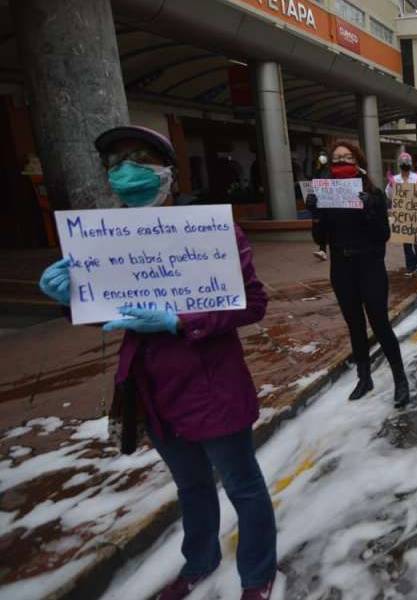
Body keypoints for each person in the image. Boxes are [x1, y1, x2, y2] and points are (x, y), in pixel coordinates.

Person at [38, 126, 278, 600]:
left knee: (242, 485)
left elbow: (252, 303)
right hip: (152, 389)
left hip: (212, 385)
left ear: (167, 173)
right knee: (190, 486)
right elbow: (107, 313)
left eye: (139, 161)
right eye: (116, 165)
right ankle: (200, 562)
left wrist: (178, 320)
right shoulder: (105, 239)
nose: (127, 172)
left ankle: (257, 575)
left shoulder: (212, 232)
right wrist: (69, 298)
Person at [308, 140, 410, 408]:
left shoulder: (373, 193)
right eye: (336, 158)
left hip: (369, 265)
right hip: (341, 267)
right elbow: (320, 238)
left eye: (347, 157)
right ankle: (364, 377)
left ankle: (400, 378)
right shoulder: (326, 194)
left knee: (379, 322)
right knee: (354, 324)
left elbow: (383, 234)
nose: (342, 161)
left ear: (358, 162)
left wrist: (370, 210)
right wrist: (316, 215)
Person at [387, 152, 417, 277]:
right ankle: (410, 266)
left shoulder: (416, 177)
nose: (405, 165)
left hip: (416, 213)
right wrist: (391, 186)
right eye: (403, 163)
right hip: (403, 214)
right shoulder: (395, 179)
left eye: (407, 163)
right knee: (406, 242)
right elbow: (390, 196)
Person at [313, 149, 331, 261]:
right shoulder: (318, 170)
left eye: (323, 155)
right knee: (321, 226)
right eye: (320, 156)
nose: (322, 158)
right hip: (321, 202)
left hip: (331, 201)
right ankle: (322, 249)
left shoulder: (331, 170)